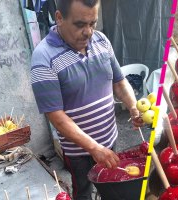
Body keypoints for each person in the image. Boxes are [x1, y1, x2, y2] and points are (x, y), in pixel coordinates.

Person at [30, 0, 143, 199]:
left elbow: (119, 82)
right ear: (59, 18)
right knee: (83, 192)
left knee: (113, 186)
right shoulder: (43, 59)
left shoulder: (101, 41)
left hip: (110, 140)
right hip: (78, 153)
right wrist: (93, 148)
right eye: (80, 24)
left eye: (93, 23)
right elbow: (56, 117)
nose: (88, 32)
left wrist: (133, 106)